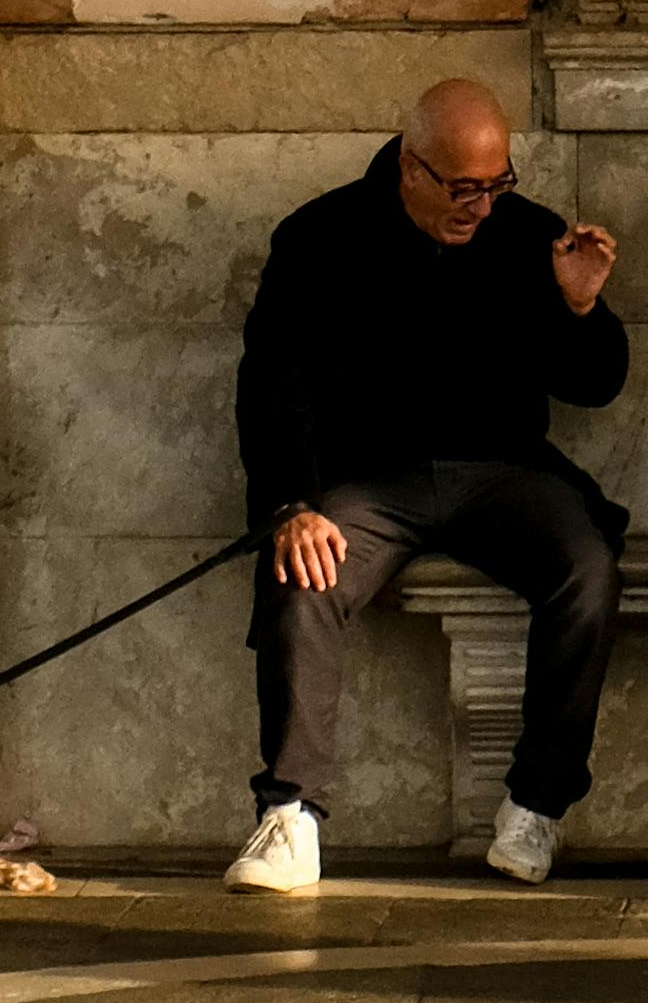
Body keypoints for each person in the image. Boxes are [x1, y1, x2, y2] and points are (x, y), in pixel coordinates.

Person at [225, 74, 626, 894]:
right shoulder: (321, 237)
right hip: (371, 480)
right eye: (464, 189)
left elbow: (593, 385)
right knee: (306, 569)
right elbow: (274, 382)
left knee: (586, 570)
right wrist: (290, 507)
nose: (481, 208)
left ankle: (536, 805)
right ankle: (290, 814)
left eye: (497, 185)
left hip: (505, 472)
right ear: (410, 167)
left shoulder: (527, 235)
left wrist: (581, 307)